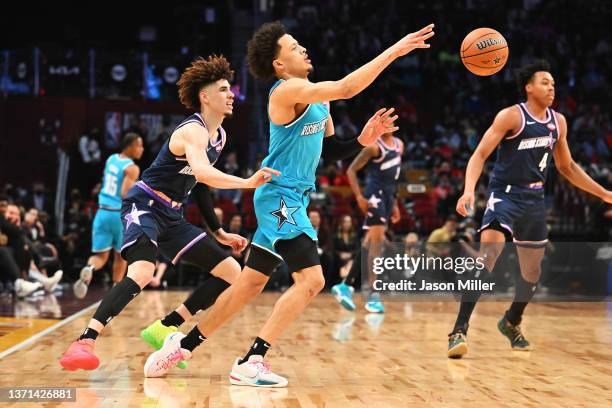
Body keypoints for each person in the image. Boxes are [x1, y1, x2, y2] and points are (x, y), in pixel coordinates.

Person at [142, 20, 434, 386]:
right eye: (294, 47)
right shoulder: (285, 91)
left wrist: (361, 139)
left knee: (248, 285)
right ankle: (252, 360)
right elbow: (346, 87)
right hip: (279, 196)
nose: (303, 49)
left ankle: (182, 345)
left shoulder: (317, 98)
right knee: (313, 280)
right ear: (279, 65)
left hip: (291, 196)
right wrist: (395, 50)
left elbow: (327, 151)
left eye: (300, 45)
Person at [58, 55, 278, 371]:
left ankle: (166, 326)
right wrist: (247, 182)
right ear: (205, 96)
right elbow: (201, 173)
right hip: (144, 206)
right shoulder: (193, 130)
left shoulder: (220, 136)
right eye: (224, 89)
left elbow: (198, 186)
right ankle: (84, 341)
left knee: (233, 273)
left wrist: (218, 232)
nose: (231, 94)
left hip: (172, 215)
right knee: (144, 271)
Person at [447, 61, 612, 358]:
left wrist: (604, 193)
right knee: (489, 255)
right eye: (545, 82)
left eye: (553, 83)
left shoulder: (558, 122)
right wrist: (469, 190)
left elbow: (567, 167)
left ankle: (512, 321)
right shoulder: (511, 116)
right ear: (529, 87)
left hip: (535, 202)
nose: (552, 87)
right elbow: (480, 154)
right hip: (504, 197)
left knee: (532, 272)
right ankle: (459, 330)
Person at [331, 127, 403, 313]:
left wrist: (394, 204)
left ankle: (345, 286)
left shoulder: (399, 145)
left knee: (369, 243)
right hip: (374, 197)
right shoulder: (373, 147)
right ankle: (372, 294)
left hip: (387, 197)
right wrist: (359, 197)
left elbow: (393, 179)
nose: (387, 125)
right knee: (376, 247)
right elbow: (351, 171)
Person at [73, 133, 144, 299]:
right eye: (139, 146)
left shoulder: (111, 159)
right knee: (121, 256)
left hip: (102, 212)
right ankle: (115, 292)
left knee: (100, 256)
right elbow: (125, 193)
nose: (142, 149)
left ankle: (89, 269)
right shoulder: (132, 168)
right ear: (130, 146)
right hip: (119, 215)